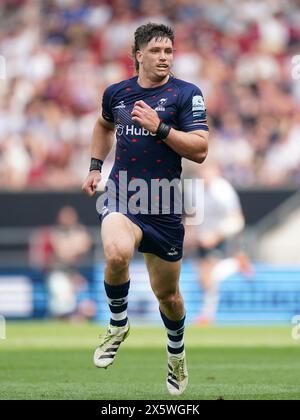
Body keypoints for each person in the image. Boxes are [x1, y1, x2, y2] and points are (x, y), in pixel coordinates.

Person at [82, 23, 209, 395]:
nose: (164, 57)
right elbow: (103, 125)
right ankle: (118, 324)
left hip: (166, 202)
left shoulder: (186, 94)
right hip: (123, 192)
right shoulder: (117, 93)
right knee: (117, 253)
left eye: (169, 51)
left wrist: (161, 128)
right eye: (156, 51)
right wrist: (94, 166)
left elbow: (200, 150)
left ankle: (176, 354)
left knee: (167, 297)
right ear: (138, 55)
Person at [185, 161, 253, 325]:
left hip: (222, 237)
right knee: (203, 277)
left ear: (216, 171)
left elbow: (236, 219)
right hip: (202, 239)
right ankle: (235, 264)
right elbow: (192, 216)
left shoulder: (223, 189)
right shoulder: (192, 188)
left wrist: (215, 236)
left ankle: (207, 315)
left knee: (209, 275)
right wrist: (189, 236)